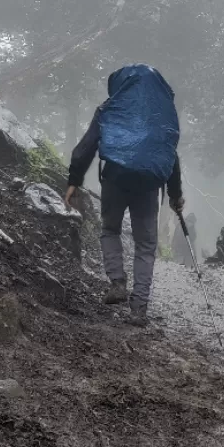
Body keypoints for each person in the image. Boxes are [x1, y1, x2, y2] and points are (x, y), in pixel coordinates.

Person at [64, 64, 184, 326]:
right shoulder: (162, 117)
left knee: (110, 230)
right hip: (149, 185)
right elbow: (170, 156)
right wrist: (175, 195)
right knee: (145, 245)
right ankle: (139, 309)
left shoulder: (110, 108)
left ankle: (117, 282)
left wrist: (73, 180)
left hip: (115, 179)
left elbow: (85, 147)